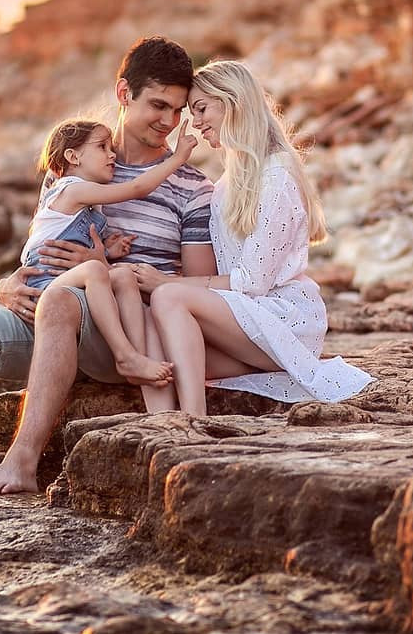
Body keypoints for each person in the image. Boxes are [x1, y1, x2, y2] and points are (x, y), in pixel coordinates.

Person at [0, 35, 214, 494]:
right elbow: (41, 244)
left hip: (128, 328)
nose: (168, 121)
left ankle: (21, 462)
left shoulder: (192, 187)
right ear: (124, 93)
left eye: (177, 110)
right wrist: (6, 285)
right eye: (158, 105)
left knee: (61, 301)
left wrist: (105, 266)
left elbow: (196, 288)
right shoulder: (75, 169)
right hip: (56, 316)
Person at [129, 59, 373, 415]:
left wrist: (168, 282)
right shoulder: (227, 183)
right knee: (154, 322)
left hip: (284, 318)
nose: (196, 123)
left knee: (167, 296)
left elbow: (253, 281)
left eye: (201, 109)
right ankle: (164, 422)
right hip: (245, 322)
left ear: (233, 102)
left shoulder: (276, 174)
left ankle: (193, 419)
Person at [20, 118, 197, 387]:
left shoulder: (87, 201)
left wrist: (110, 252)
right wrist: (178, 159)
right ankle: (124, 355)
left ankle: (138, 357)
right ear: (73, 157)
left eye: (111, 148)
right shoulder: (72, 188)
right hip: (43, 282)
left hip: (65, 280)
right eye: (102, 147)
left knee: (123, 276)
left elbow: (73, 240)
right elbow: (137, 188)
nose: (112, 154)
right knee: (95, 270)